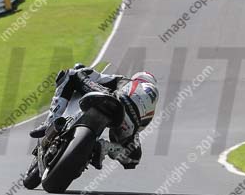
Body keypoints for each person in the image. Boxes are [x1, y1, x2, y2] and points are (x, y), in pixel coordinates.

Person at [30, 64, 159, 170]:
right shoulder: (151, 111)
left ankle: (51, 120)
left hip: (116, 99)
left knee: (70, 75)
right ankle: (106, 147)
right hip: (130, 122)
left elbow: (95, 76)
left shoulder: (125, 81)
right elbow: (132, 134)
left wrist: (82, 69)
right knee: (133, 159)